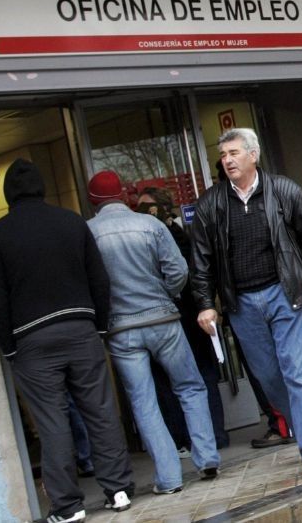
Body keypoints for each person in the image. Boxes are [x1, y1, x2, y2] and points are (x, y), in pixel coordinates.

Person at [0, 159, 134, 522]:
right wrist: (99, 326)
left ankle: (68, 506)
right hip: (80, 328)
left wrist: (9, 347)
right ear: (42, 187)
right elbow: (99, 278)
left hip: (31, 340)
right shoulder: (72, 222)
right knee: (100, 411)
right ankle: (118, 490)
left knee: (53, 422)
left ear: (8, 194)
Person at [191, 127, 302, 479]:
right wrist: (206, 303)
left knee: (298, 372)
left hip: (284, 294)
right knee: (269, 377)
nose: (227, 160)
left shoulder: (283, 190)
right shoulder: (211, 203)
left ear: (253, 155)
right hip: (241, 304)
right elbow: (200, 260)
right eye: (223, 155)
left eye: (234, 153)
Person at [85, 170, 220, 494]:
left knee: (144, 402)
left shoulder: (88, 232)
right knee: (190, 386)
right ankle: (207, 458)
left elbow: (89, 283)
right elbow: (179, 270)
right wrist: (166, 295)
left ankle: (169, 478)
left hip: (122, 329)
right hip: (163, 320)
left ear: (93, 202)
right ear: (123, 196)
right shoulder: (150, 224)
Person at [138, 187, 230, 452]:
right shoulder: (170, 232)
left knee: (196, 376)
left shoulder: (175, 233)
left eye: (146, 207)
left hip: (187, 315)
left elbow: (186, 271)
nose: (142, 213)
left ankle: (203, 437)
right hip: (184, 314)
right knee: (191, 377)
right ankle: (202, 436)